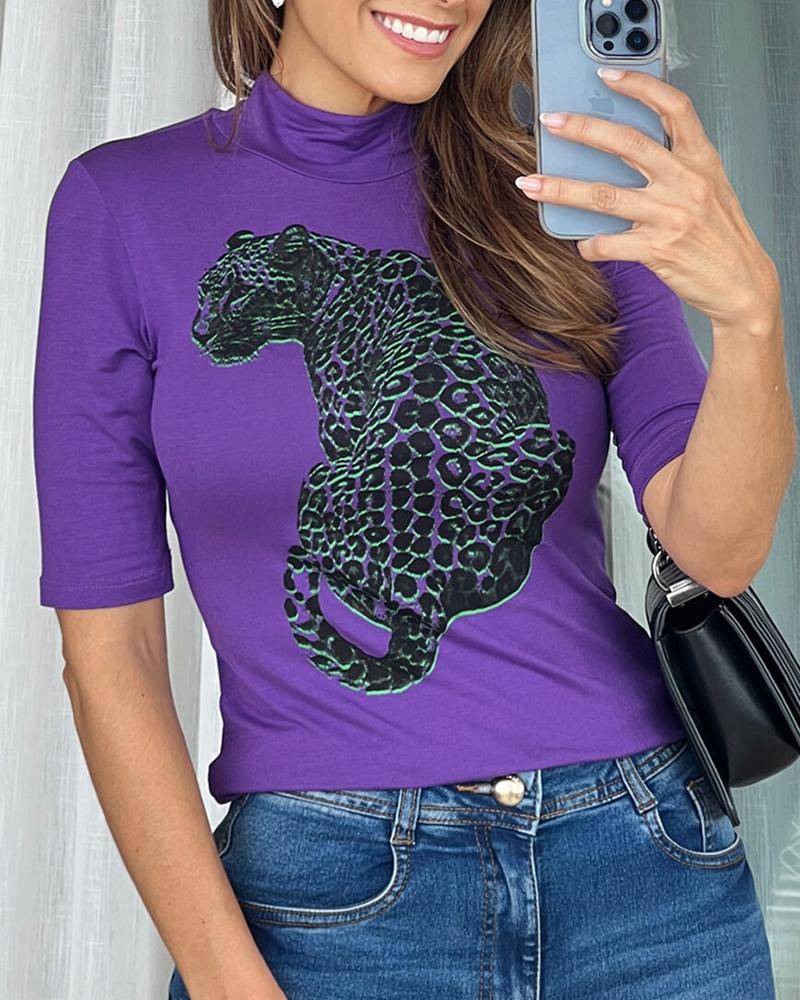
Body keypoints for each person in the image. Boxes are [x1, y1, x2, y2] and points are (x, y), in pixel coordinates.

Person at [32, 0, 794, 998]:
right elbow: (111, 654)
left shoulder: (562, 189)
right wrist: (226, 983)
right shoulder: (123, 204)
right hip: (332, 898)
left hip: (642, 865)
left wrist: (749, 319)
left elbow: (717, 549)